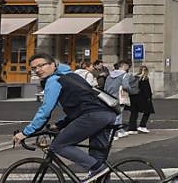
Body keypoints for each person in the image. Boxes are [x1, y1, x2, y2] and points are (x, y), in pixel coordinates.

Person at [11, 53, 115, 183]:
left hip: (92, 116)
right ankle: (99, 171)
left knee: (58, 146)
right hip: (106, 115)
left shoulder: (54, 80)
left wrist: (26, 132)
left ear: (53, 64)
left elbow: (45, 111)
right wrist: (60, 124)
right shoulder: (70, 75)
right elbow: (80, 105)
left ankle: (97, 169)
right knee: (97, 159)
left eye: (41, 65)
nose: (37, 70)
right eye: (34, 68)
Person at [104, 60, 133, 138]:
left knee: (113, 114)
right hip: (120, 97)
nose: (128, 67)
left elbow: (105, 86)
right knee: (118, 114)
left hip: (109, 96)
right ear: (123, 66)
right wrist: (131, 91)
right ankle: (114, 133)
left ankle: (119, 130)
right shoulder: (125, 75)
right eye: (127, 66)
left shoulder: (110, 75)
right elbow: (125, 86)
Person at [127, 66, 154, 133]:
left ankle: (132, 128)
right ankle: (142, 125)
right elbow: (146, 90)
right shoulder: (144, 79)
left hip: (133, 97)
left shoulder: (135, 77)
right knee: (148, 111)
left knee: (134, 113)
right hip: (143, 98)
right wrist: (149, 97)